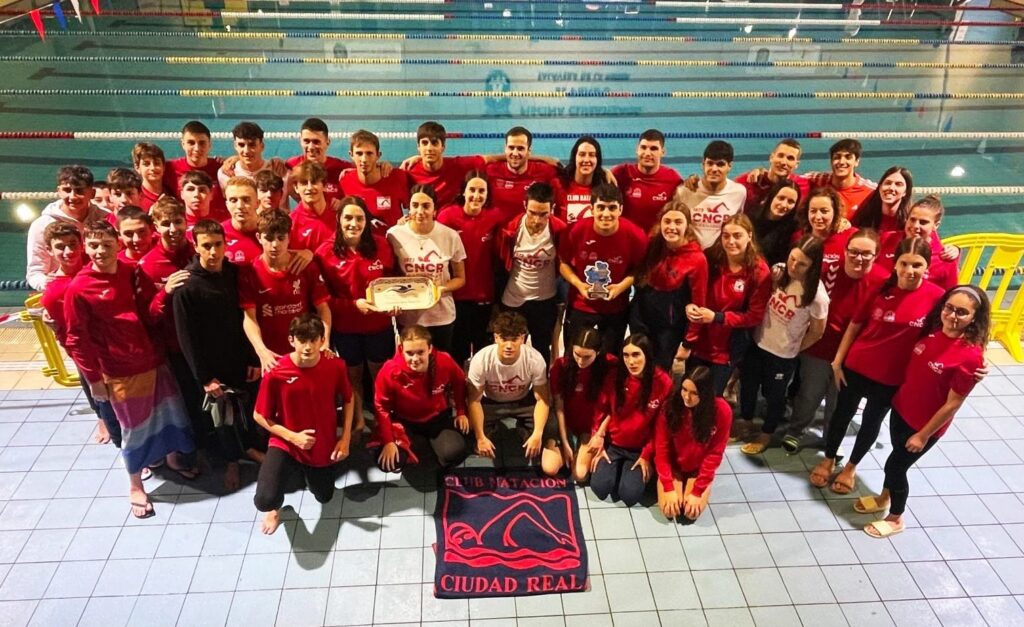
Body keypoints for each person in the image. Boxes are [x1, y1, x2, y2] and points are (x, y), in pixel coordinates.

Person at [64, 220, 195, 518]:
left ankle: (173, 458)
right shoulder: (79, 288)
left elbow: (149, 313)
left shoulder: (130, 272)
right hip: (119, 370)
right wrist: (94, 379)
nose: (100, 252)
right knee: (133, 430)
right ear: (86, 247)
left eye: (106, 245)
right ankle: (135, 484)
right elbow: (76, 340)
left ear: (117, 246)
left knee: (171, 415)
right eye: (94, 246)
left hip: (153, 359)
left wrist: (166, 292)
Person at [811, 237, 945, 494]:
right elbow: (855, 325)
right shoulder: (879, 286)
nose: (909, 271)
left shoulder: (936, 298)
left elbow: (955, 327)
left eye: (917, 265)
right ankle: (828, 458)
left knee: (872, 421)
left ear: (926, 266)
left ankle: (851, 467)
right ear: (895, 264)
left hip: (893, 376)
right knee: (841, 414)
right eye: (904, 263)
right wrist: (838, 362)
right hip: (858, 365)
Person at [858, 286, 989, 538]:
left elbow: (953, 404)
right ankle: (884, 496)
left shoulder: (969, 357)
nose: (953, 316)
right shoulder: (933, 332)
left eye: (962, 312)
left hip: (924, 426)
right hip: (902, 410)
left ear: (974, 318)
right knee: (896, 457)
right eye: (949, 308)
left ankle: (896, 517)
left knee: (896, 468)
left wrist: (923, 435)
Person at [173, 219, 265, 491]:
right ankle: (232, 462)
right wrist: (204, 378)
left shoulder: (235, 274)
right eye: (207, 246)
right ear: (196, 247)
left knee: (248, 411)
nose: (213, 252)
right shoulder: (186, 287)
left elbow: (247, 317)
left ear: (225, 244)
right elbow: (186, 339)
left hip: (239, 358)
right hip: (212, 367)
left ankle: (252, 450)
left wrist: (252, 357)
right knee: (223, 420)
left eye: (218, 245)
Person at [782, 229, 888, 453]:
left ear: (876, 254)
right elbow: (796, 273)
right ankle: (796, 431)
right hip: (820, 347)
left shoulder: (882, 281)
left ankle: (832, 440)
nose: (859, 258)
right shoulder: (827, 269)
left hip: (853, 357)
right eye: (854, 252)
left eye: (866, 254)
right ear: (845, 250)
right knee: (809, 393)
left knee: (839, 401)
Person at [253, 314, 354, 535]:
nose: (308, 347)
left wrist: (345, 438)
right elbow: (259, 415)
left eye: (313, 340)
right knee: (264, 500)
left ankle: (302, 473)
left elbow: (348, 398)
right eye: (302, 340)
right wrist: (292, 437)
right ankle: (274, 509)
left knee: (324, 496)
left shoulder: (335, 365)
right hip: (285, 441)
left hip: (320, 444)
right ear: (291, 340)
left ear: (321, 340)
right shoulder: (276, 371)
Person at [737, 235, 829, 455]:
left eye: (802, 264)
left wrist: (794, 348)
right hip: (758, 342)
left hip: (782, 355)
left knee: (774, 396)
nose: (794, 266)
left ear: (813, 265)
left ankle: (766, 434)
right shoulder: (778, 272)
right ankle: (747, 422)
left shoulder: (817, 295)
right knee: (747, 386)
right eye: (792, 259)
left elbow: (817, 331)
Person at [315, 196, 397, 436]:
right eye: (348, 217)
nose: (354, 223)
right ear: (339, 220)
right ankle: (359, 419)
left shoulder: (382, 245)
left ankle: (385, 418)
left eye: (359, 218)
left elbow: (393, 281)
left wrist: (395, 303)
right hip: (345, 327)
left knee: (380, 374)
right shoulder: (324, 253)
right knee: (354, 375)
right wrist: (352, 305)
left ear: (367, 220)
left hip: (378, 325)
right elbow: (322, 299)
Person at [39, 222, 120, 449]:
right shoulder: (54, 293)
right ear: (49, 250)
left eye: (73, 245)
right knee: (105, 401)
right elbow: (71, 339)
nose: (68, 252)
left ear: (82, 245)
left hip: (116, 348)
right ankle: (114, 434)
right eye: (60, 247)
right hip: (91, 358)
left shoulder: (100, 266)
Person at [683, 214, 772, 396]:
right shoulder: (710, 258)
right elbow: (692, 290)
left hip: (726, 350)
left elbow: (754, 316)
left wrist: (717, 317)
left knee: (709, 398)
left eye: (737, 236)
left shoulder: (758, 271)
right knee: (689, 392)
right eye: (726, 236)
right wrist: (689, 305)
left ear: (749, 235)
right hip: (700, 341)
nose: (731, 241)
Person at [558, 183, 647, 355]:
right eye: (601, 208)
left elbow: (640, 270)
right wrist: (579, 284)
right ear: (592, 209)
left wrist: (620, 287)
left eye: (612, 208)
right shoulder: (576, 230)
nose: (606, 214)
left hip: (616, 308)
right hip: (581, 305)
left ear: (620, 209)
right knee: (574, 356)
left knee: (610, 359)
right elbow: (563, 263)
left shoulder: (635, 235)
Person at [240, 210, 332, 373]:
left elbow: (323, 309)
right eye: (269, 238)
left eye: (281, 238)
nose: (275, 244)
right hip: (272, 358)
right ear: (259, 238)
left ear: (289, 237)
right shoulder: (250, 272)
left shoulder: (306, 267)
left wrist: (324, 343)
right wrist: (262, 352)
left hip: (305, 354)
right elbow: (249, 318)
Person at [467, 312, 559, 474]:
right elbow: (473, 401)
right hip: (490, 403)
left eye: (514, 339)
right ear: (496, 338)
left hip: (522, 401)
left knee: (549, 425)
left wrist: (537, 434)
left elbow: (542, 400)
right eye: (504, 339)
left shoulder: (534, 359)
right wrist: (480, 437)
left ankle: (525, 430)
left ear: (522, 339)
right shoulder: (481, 360)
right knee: (467, 435)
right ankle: (488, 431)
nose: (509, 345)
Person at [372, 325, 471, 472]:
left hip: (437, 418)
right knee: (389, 462)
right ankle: (419, 448)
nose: (415, 359)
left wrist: (461, 411)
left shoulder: (444, 360)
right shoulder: (389, 371)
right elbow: (381, 407)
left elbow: (459, 382)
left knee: (455, 452)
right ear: (401, 350)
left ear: (430, 349)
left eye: (420, 352)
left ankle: (424, 449)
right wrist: (389, 441)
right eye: (409, 353)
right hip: (405, 421)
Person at [588, 333, 672, 506]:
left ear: (647, 355)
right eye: (626, 355)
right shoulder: (615, 376)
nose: (631, 362)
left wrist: (647, 454)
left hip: (640, 449)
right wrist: (598, 436)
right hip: (613, 445)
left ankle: (628, 474)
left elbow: (661, 427)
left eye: (636, 355)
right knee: (600, 488)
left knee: (630, 495)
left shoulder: (663, 383)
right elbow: (601, 409)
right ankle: (615, 471)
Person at [387, 184, 467, 353]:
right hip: (409, 317)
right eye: (415, 205)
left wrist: (440, 289)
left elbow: (460, 278)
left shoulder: (450, 236)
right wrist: (393, 300)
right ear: (408, 208)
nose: (420, 211)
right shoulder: (394, 235)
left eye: (426, 206)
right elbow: (389, 276)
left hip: (441, 316)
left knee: (440, 365)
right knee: (413, 365)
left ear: (435, 210)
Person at [629, 200, 708, 371]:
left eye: (678, 222)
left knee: (659, 372)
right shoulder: (651, 243)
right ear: (660, 222)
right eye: (667, 221)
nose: (672, 227)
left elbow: (698, 304)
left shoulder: (696, 259)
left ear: (687, 225)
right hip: (640, 317)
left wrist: (688, 342)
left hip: (668, 327)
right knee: (636, 366)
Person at [437, 172, 505, 365]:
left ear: (487, 194)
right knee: (457, 351)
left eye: (481, 191)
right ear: (463, 192)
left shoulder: (494, 216)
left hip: (484, 296)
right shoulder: (448, 215)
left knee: (484, 355)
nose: (476, 195)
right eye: (472, 190)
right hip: (455, 295)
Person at [498, 180, 568, 366]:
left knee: (541, 350)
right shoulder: (511, 229)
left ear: (552, 209)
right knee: (509, 350)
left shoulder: (559, 230)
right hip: (513, 299)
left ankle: (541, 391)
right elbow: (500, 264)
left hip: (545, 300)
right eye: (532, 213)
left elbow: (565, 264)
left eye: (543, 214)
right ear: (524, 206)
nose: (537, 220)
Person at [654, 366, 732, 521]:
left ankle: (693, 484)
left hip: (697, 469)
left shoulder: (722, 411)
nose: (687, 397)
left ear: (705, 393)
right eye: (684, 389)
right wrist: (668, 486)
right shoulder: (670, 407)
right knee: (669, 511)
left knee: (691, 512)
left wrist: (698, 490)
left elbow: (714, 454)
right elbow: (661, 450)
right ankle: (679, 484)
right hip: (674, 467)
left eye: (694, 393)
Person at [26, 165, 108, 290]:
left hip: (100, 287)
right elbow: (35, 272)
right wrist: (46, 283)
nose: (73, 196)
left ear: (92, 193)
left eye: (79, 191)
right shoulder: (41, 225)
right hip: (62, 290)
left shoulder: (106, 218)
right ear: (59, 191)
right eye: (67, 190)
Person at [550, 327, 616, 481]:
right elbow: (558, 406)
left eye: (587, 357)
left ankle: (579, 450)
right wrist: (565, 440)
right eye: (577, 354)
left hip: (591, 427)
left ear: (598, 352)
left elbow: (612, 407)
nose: (580, 361)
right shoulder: (561, 365)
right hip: (568, 423)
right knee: (550, 468)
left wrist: (599, 434)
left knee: (580, 475)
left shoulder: (610, 366)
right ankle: (571, 447)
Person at [675, 140, 748, 250]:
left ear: (730, 166)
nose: (714, 169)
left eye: (720, 164)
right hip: (693, 255)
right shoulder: (685, 191)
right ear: (703, 164)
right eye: (710, 163)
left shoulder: (739, 192)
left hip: (722, 256)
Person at [876, 195, 959, 290]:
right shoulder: (886, 239)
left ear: (936, 225)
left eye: (923, 222)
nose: (915, 226)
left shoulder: (945, 258)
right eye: (912, 219)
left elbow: (949, 294)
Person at [401, 121, 488, 207]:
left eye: (434, 143)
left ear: (443, 147)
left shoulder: (457, 165)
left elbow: (489, 159)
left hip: (449, 219)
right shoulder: (409, 171)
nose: (429, 148)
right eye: (424, 143)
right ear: (418, 147)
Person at [340, 129, 412, 232]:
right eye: (359, 153)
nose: (364, 159)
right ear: (351, 155)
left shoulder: (397, 177)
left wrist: (405, 224)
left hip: (392, 244)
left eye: (369, 153)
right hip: (362, 245)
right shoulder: (345, 180)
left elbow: (416, 209)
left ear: (378, 155)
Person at [611, 129, 683, 233]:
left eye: (653, 149)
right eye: (643, 147)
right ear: (637, 149)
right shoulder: (622, 173)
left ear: (662, 152)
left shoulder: (673, 178)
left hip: (656, 242)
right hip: (628, 239)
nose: (647, 153)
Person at [484, 126, 560, 223]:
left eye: (520, 149)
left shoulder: (546, 171)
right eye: (511, 148)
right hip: (498, 233)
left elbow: (564, 171)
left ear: (529, 151)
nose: (515, 153)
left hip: (531, 231)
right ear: (505, 148)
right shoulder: (490, 170)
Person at [162, 120, 228, 220]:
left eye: (202, 143)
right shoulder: (169, 169)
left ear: (209, 144)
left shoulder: (222, 167)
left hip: (219, 225)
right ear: (183, 144)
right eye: (191, 143)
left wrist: (234, 159)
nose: (197, 148)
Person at [217, 122, 289, 210]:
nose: (246, 151)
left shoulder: (278, 169)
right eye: (241, 145)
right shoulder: (226, 174)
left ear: (262, 146)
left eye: (252, 145)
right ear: (235, 146)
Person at [286, 117, 354, 207]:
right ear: (300, 141)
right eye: (306, 141)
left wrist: (343, 204)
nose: (311, 147)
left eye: (316, 142)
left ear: (327, 142)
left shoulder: (342, 168)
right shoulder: (291, 165)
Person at [804, 138, 876, 219]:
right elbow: (793, 179)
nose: (841, 162)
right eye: (837, 157)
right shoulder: (818, 179)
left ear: (856, 162)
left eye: (848, 157)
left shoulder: (870, 190)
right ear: (831, 161)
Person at [735, 139, 810, 214]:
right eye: (780, 156)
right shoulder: (747, 181)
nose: (783, 162)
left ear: (796, 164)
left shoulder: (803, 185)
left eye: (790, 158)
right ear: (771, 157)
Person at [748, 179, 801, 266]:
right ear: (772, 196)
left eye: (790, 202)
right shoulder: (751, 217)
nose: (784, 205)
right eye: (781, 198)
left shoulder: (794, 228)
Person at [555, 135, 607, 225]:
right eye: (582, 154)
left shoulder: (604, 187)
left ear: (597, 160)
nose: (586, 160)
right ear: (574, 157)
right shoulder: (558, 184)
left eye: (592, 155)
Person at [289, 160, 338, 253]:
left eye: (314, 182)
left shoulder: (341, 214)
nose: (309, 188)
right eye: (304, 183)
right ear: (296, 188)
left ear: (324, 186)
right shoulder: (291, 224)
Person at [850, 166, 913, 234]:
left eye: (898, 184)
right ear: (880, 188)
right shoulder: (863, 219)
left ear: (905, 192)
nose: (891, 188)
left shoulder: (910, 223)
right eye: (888, 183)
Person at [220, 176, 263, 266]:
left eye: (246, 200)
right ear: (227, 205)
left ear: (257, 203)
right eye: (233, 200)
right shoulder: (218, 233)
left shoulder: (271, 230)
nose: (240, 206)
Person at [132, 142, 168, 212]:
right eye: (146, 164)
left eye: (157, 163)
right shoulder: (135, 199)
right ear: (137, 167)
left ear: (163, 167)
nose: (153, 168)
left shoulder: (172, 194)